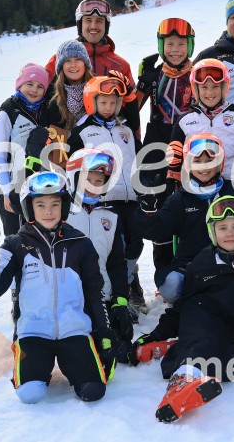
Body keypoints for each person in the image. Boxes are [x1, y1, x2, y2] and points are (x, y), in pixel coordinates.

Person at [132, 196, 234, 422]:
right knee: (201, 332)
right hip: (203, 318)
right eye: (222, 228)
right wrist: (156, 333)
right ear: (212, 231)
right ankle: (181, 383)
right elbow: (181, 306)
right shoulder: (202, 263)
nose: (229, 233)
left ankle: (177, 350)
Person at [0, 171, 116, 404]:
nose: (48, 211)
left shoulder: (81, 244)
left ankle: (77, 362)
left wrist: (104, 334)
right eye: (40, 205)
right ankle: (35, 366)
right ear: (30, 208)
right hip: (33, 332)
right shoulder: (16, 244)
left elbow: (94, 293)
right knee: (30, 394)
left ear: (64, 206)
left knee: (93, 391)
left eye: (54, 204)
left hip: (74, 330)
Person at [135, 133, 234, 302]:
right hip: (192, 266)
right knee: (171, 286)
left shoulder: (233, 192)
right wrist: (148, 210)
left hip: (232, 261)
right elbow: (156, 230)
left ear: (220, 163)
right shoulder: (180, 199)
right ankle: (190, 305)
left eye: (210, 161)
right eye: (197, 161)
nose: (204, 167)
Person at [67, 76, 146, 318]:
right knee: (115, 249)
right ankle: (117, 295)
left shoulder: (125, 130)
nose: (109, 107)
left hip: (130, 198)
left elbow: (136, 159)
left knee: (136, 244)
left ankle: (128, 281)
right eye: (103, 102)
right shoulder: (82, 131)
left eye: (113, 102)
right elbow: (74, 167)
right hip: (104, 200)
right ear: (92, 102)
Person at [135, 18, 197, 271]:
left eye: (181, 44)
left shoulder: (197, 74)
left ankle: (189, 266)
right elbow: (131, 111)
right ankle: (163, 270)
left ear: (190, 46)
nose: (175, 50)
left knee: (188, 205)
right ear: (161, 46)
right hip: (157, 143)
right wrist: (142, 83)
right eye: (169, 44)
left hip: (188, 142)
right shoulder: (156, 74)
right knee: (158, 207)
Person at [65, 148, 133, 362]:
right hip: (69, 299)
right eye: (88, 179)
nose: (94, 186)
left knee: (121, 351)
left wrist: (120, 300)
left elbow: (117, 263)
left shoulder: (110, 216)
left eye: (99, 181)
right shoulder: (61, 213)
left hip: (102, 298)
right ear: (74, 177)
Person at [45, 0, 141, 138]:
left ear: (106, 25)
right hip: (66, 142)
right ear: (80, 24)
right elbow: (38, 96)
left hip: (109, 141)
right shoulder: (61, 59)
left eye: (99, 21)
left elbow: (131, 109)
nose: (93, 26)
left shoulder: (120, 65)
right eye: (88, 20)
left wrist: (135, 143)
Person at [166, 59, 234, 185]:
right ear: (196, 89)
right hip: (194, 187)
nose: (210, 92)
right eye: (204, 87)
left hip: (232, 186)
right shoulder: (184, 121)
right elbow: (174, 163)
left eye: (215, 86)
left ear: (224, 87)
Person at [0, 63, 50, 235]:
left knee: (40, 238)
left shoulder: (45, 111)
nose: (34, 90)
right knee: (16, 238)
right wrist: (7, 192)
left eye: (40, 86)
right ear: (20, 85)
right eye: (29, 84)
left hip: (39, 187)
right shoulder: (7, 112)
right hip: (12, 187)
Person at [45, 40, 95, 132]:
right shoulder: (55, 104)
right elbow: (56, 139)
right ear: (61, 67)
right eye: (67, 61)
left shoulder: (99, 92)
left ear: (85, 63)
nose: (73, 65)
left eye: (78, 59)